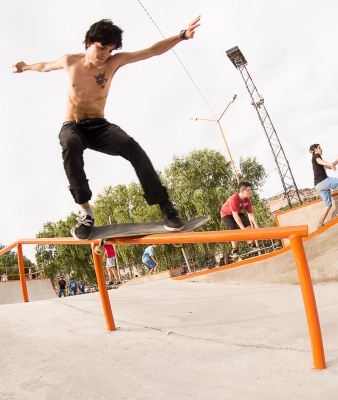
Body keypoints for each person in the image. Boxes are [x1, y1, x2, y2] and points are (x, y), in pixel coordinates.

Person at [13, 17, 201, 240]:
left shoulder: (114, 62)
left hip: (100, 126)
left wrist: (181, 36)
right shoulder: (70, 61)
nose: (105, 55)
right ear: (89, 42)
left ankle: (166, 207)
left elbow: (152, 51)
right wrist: (24, 67)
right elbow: (44, 67)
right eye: (102, 48)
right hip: (73, 126)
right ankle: (85, 213)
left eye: (110, 50)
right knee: (70, 145)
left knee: (133, 148)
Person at [309, 144, 338, 229]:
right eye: (319, 148)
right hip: (323, 181)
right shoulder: (316, 156)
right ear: (315, 150)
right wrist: (330, 164)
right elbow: (320, 161)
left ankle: (319, 224)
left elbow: (330, 166)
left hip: (318, 185)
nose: (321, 149)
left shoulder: (316, 160)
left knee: (327, 205)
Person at [220, 181, 261, 259]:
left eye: (250, 190)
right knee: (233, 227)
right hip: (226, 214)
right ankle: (235, 250)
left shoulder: (247, 200)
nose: (250, 192)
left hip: (238, 212)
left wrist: (256, 225)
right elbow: (235, 215)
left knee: (247, 224)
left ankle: (250, 245)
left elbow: (250, 214)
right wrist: (242, 229)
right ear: (242, 191)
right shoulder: (234, 198)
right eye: (248, 190)